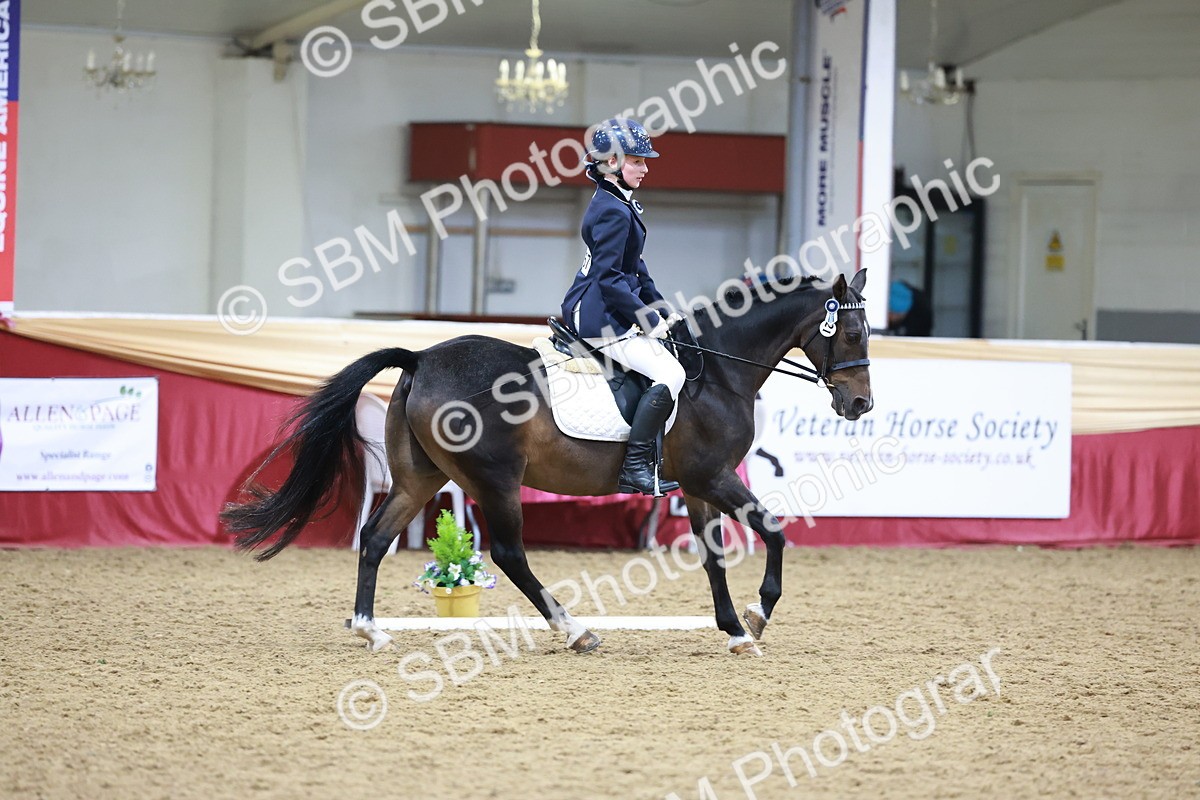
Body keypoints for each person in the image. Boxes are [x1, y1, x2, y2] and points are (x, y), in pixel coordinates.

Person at [560, 118, 686, 496]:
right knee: (672, 375)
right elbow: (609, 278)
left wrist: (663, 308)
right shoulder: (613, 210)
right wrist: (645, 319)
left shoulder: (617, 202)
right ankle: (635, 467)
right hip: (598, 317)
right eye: (637, 161)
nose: (645, 169)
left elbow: (636, 268)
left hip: (607, 306)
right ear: (612, 162)